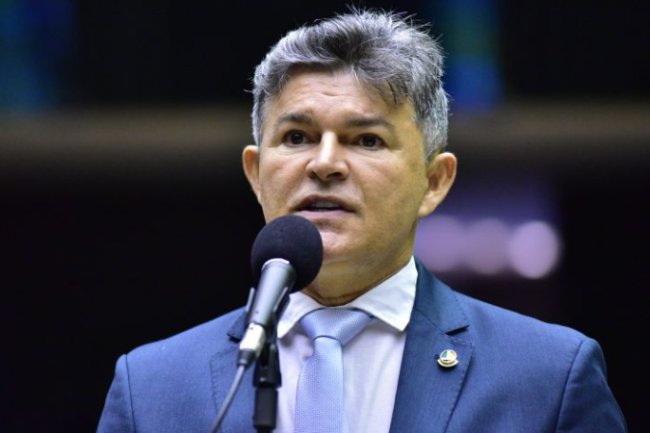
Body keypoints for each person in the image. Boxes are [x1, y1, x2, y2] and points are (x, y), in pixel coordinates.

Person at [97, 10, 627, 433]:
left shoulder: (549, 377)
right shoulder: (151, 388)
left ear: (434, 181)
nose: (324, 163)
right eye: (297, 137)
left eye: (367, 140)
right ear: (256, 174)